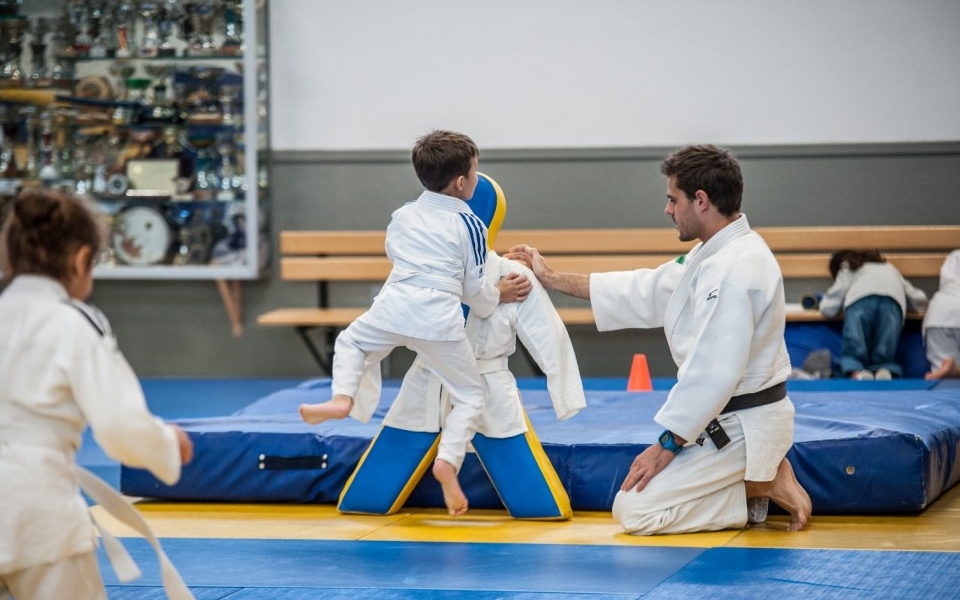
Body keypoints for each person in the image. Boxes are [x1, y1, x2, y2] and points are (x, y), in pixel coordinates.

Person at [506, 144, 812, 535]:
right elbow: (640, 290)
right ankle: (754, 484)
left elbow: (715, 372)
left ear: (700, 201)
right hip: (722, 419)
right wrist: (550, 277)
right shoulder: (713, 255)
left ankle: (759, 482)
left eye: (673, 199)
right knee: (636, 504)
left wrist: (665, 445)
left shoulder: (735, 268)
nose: (668, 209)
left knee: (636, 512)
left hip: (742, 423)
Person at [299, 130, 531, 516]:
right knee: (470, 395)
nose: (477, 178)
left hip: (392, 307)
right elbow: (475, 291)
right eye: (475, 172)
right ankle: (448, 461)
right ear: (461, 183)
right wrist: (499, 294)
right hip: (437, 318)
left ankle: (342, 397)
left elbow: (398, 259)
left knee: (350, 343)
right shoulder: (470, 223)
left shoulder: (402, 216)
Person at [0, 188, 194, 599]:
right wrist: (166, 444)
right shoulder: (72, 323)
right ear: (80, 259)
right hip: (38, 514)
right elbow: (120, 425)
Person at [819, 249, 929, 380]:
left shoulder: (849, 267)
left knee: (855, 342)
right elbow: (919, 299)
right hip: (892, 303)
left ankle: (856, 371)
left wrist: (823, 303)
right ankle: (884, 369)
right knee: (885, 344)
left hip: (860, 301)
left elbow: (829, 307)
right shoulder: (890, 268)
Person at [923, 249, 960, 379]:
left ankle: (946, 368)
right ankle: (956, 371)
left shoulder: (953, 257)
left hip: (939, 312)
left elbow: (945, 282)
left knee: (942, 360)